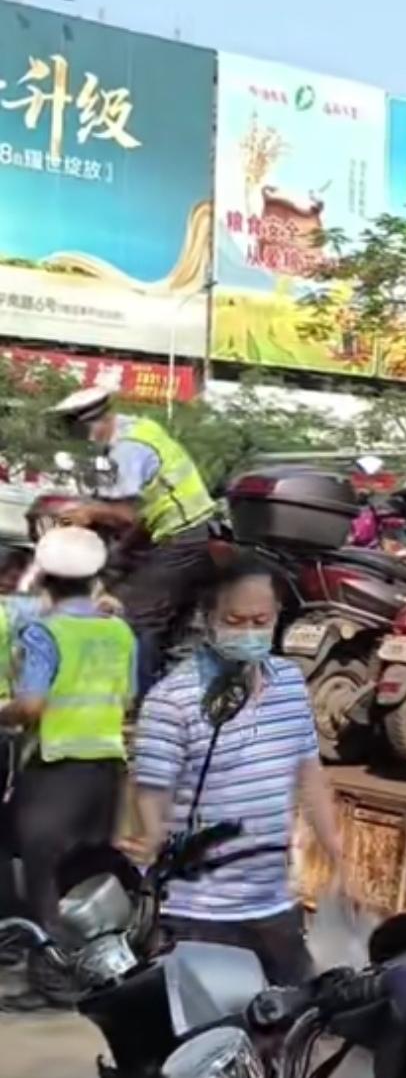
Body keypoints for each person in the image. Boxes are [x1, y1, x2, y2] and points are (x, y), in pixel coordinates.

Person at [133, 555, 343, 984]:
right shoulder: (170, 701)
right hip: (197, 913)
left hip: (273, 905)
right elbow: (150, 798)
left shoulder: (288, 681)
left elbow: (308, 770)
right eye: (235, 620)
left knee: (294, 1029)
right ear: (208, 620)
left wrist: (336, 848)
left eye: (260, 620)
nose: (249, 631)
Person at [0, 526, 136, 929]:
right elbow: (127, 697)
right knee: (85, 871)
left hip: (55, 767)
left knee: (42, 881)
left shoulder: (46, 632)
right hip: (108, 769)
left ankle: (46, 960)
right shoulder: (119, 631)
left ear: (43, 579)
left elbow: (32, 705)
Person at [51, 385, 216, 691]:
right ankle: (160, 686)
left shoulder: (128, 450)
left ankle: (137, 704)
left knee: (134, 617)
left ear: (97, 421)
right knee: (155, 618)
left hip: (180, 534)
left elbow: (125, 514)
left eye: (79, 428)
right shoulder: (137, 428)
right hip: (174, 533)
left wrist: (88, 514)